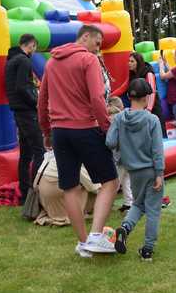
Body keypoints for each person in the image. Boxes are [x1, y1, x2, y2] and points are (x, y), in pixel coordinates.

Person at [38, 25, 119, 258]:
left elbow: (42, 101)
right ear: (85, 37)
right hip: (86, 129)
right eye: (97, 43)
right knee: (110, 182)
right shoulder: (89, 60)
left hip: (59, 132)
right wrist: (106, 128)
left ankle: (84, 243)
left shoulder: (51, 63)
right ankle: (94, 237)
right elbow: (96, 97)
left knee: (70, 187)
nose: (98, 48)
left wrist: (46, 131)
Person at [107, 78, 165, 261]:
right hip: (150, 169)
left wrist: (122, 147)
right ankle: (147, 249)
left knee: (138, 204)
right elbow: (157, 149)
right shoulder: (152, 120)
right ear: (147, 97)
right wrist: (160, 173)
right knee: (153, 209)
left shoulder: (119, 118)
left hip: (133, 170)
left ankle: (124, 229)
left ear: (129, 97)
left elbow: (109, 141)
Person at [5, 33, 44, 204]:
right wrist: (36, 102)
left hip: (18, 110)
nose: (34, 51)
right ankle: (36, 192)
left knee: (26, 153)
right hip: (27, 111)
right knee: (39, 151)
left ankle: (24, 192)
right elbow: (22, 87)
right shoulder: (24, 61)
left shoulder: (11, 60)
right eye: (34, 47)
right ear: (31, 45)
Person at [34, 151, 100, 227]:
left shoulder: (52, 155)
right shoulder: (74, 156)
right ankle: (72, 213)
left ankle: (56, 213)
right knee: (87, 189)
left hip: (43, 195)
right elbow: (93, 187)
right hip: (54, 192)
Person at [126, 52, 166, 137]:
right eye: (128, 61)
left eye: (132, 61)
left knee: (158, 133)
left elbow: (152, 92)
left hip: (153, 109)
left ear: (138, 62)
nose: (129, 63)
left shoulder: (148, 72)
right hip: (140, 110)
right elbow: (124, 87)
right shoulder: (132, 75)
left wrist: (148, 110)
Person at [107, 96, 133, 212]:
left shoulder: (112, 119)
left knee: (115, 183)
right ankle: (129, 202)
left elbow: (111, 141)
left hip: (120, 156)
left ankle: (106, 204)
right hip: (129, 154)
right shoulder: (126, 117)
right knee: (126, 179)